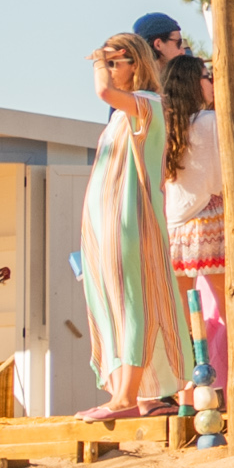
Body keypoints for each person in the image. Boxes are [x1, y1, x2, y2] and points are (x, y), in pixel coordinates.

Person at [82, 29, 192, 422]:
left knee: (132, 297)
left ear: (135, 63)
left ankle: (127, 395)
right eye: (107, 64)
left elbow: (103, 93)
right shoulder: (125, 114)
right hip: (106, 216)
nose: (109, 70)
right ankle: (126, 392)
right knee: (108, 298)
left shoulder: (147, 103)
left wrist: (96, 59)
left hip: (129, 216)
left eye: (116, 62)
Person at [161, 51, 232, 393]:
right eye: (207, 77)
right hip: (209, 219)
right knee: (232, 305)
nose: (212, 83)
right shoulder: (208, 122)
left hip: (175, 225)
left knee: (182, 314)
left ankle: (185, 380)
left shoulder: (166, 125)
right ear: (195, 83)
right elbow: (221, 178)